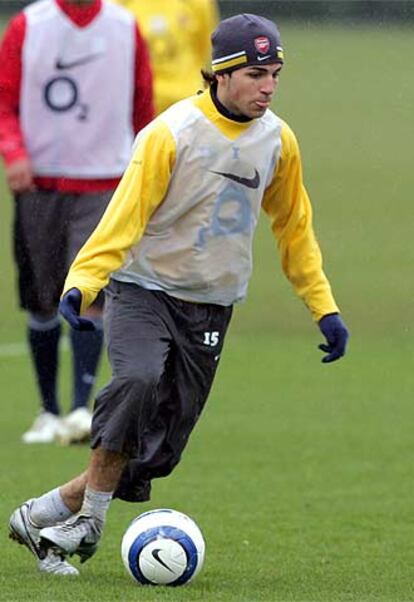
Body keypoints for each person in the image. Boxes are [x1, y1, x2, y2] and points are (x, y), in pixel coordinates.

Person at [8, 13, 349, 576]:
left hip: (211, 306)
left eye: (276, 75)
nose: (269, 86)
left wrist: (324, 307)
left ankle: (42, 514)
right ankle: (88, 523)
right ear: (221, 74)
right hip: (144, 290)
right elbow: (124, 217)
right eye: (257, 73)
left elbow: (295, 231)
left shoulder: (278, 143)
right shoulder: (170, 134)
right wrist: (83, 282)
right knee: (136, 380)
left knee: (159, 451)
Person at [0, 0, 154, 445]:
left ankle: (80, 408)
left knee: (90, 290)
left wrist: (147, 168)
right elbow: (5, 101)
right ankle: (47, 409)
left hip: (105, 180)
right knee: (42, 297)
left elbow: (142, 106)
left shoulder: (126, 28)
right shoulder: (29, 26)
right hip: (41, 182)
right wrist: (14, 153)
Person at [112, 0, 219, 113]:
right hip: (142, 107)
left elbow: (205, 48)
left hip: (188, 104)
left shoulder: (196, 3)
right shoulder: (119, 5)